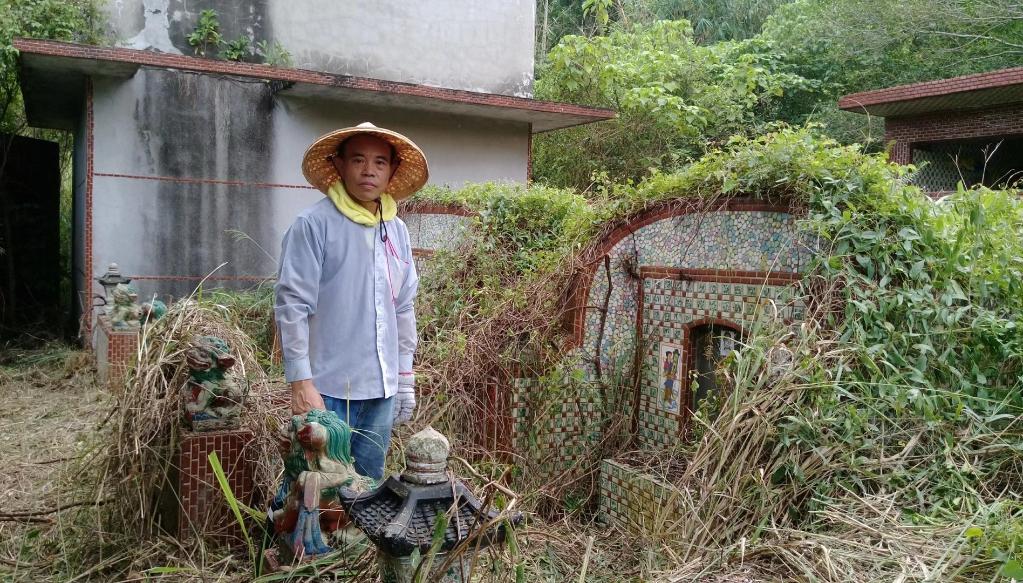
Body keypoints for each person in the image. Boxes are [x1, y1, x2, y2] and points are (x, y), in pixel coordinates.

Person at [274, 122, 427, 480]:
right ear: (339, 166)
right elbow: (292, 304)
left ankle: (356, 537)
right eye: (358, 160)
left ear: (392, 171)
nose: (369, 170)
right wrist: (301, 383)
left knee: (368, 489)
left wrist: (405, 377)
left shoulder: (397, 231)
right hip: (326, 391)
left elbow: (403, 306)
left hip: (382, 391)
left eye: (379, 162)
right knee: (314, 487)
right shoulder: (313, 224)